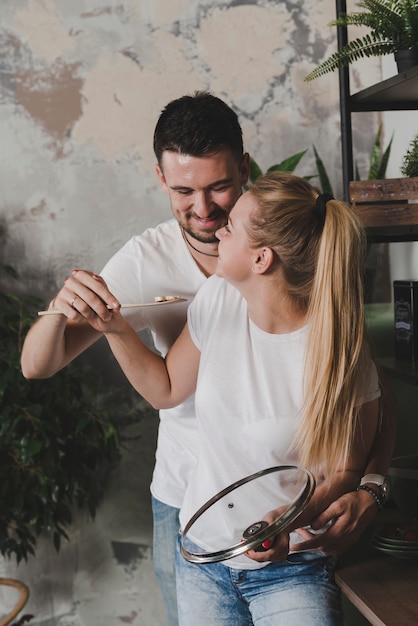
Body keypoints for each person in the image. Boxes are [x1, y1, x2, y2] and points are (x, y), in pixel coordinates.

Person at [21, 92, 395, 625]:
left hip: (288, 530)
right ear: (160, 179)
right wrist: (67, 310)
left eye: (220, 188)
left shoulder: (319, 293)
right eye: (182, 190)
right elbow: (43, 366)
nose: (205, 211)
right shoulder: (166, 271)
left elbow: (365, 409)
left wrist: (369, 488)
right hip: (186, 506)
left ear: (243, 169)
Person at [84, 171, 381, 625]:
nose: (218, 227)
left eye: (232, 227)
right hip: (203, 557)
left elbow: (347, 469)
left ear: (261, 258)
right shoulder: (219, 298)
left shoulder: (334, 348)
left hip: (293, 567)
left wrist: (291, 516)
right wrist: (115, 329)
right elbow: (165, 389)